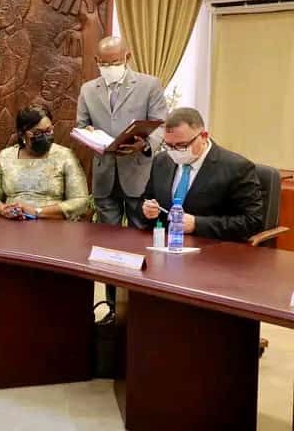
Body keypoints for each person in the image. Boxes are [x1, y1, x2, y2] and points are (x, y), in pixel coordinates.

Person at [77, 36, 167, 307]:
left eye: (115, 62)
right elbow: (81, 124)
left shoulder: (149, 84)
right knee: (108, 246)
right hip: (105, 173)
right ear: (97, 61)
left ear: (128, 57)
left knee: (140, 241)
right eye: (104, 64)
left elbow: (161, 124)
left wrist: (145, 144)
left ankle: (140, 306)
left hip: (138, 173)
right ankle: (113, 306)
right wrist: (89, 134)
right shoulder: (88, 89)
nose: (109, 67)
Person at [141, 107, 263, 241]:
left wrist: (197, 224)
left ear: (203, 137)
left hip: (213, 247)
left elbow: (252, 221)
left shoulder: (237, 167)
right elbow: (148, 200)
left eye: (182, 145)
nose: (174, 151)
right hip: (166, 243)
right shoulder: (161, 161)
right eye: (169, 145)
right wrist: (148, 210)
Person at [0, 105, 89, 220]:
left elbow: (81, 201)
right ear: (22, 134)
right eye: (37, 133)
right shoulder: (6, 156)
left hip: (51, 225)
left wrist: (37, 212)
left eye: (49, 131)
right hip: (12, 223)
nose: (45, 137)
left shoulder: (64, 156)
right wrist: (3, 209)